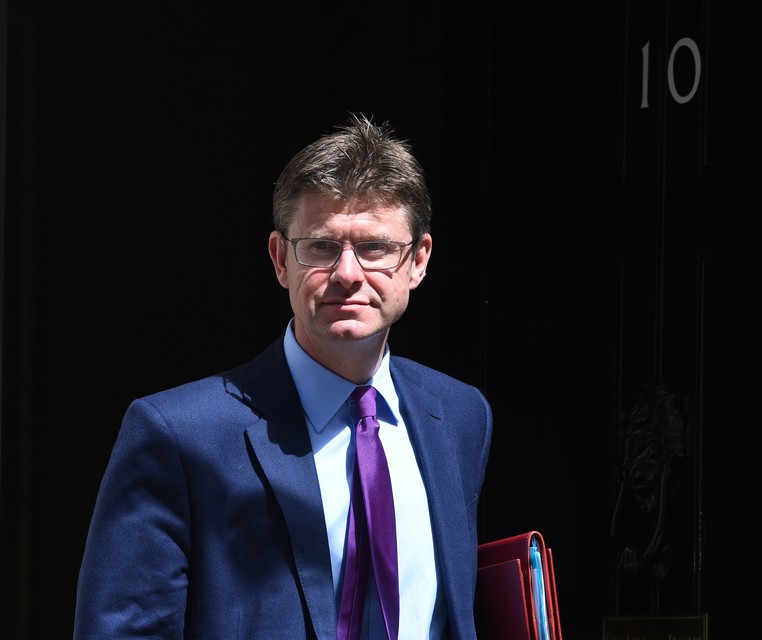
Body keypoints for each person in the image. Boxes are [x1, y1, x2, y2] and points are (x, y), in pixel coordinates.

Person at [73, 113, 493, 639]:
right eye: (320, 246)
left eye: (375, 247)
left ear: (418, 261)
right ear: (280, 260)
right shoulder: (178, 434)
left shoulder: (459, 416)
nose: (347, 273)